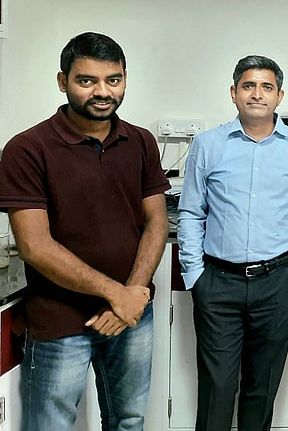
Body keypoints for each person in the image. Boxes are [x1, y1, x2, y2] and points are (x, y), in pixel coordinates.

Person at [0, 32, 170, 430]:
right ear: (63, 82)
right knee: (52, 425)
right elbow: (34, 246)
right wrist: (117, 294)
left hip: (132, 316)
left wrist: (132, 294)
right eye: (87, 80)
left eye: (113, 80)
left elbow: (157, 222)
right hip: (60, 319)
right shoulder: (27, 148)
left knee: (129, 421)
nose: (103, 92)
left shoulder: (141, 142)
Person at [177, 55, 288, 431]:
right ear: (234, 93)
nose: (257, 94)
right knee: (217, 387)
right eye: (249, 86)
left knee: (262, 388)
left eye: (266, 87)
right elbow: (190, 212)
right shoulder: (207, 144)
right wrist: (195, 275)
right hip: (218, 283)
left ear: (279, 96)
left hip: (277, 282)